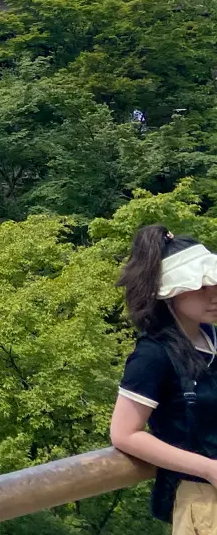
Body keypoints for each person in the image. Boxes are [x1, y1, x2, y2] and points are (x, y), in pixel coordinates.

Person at [109, 226, 217, 533]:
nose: (213, 295)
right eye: (200, 287)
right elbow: (124, 433)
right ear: (170, 292)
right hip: (204, 498)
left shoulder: (210, 338)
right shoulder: (153, 354)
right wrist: (208, 468)